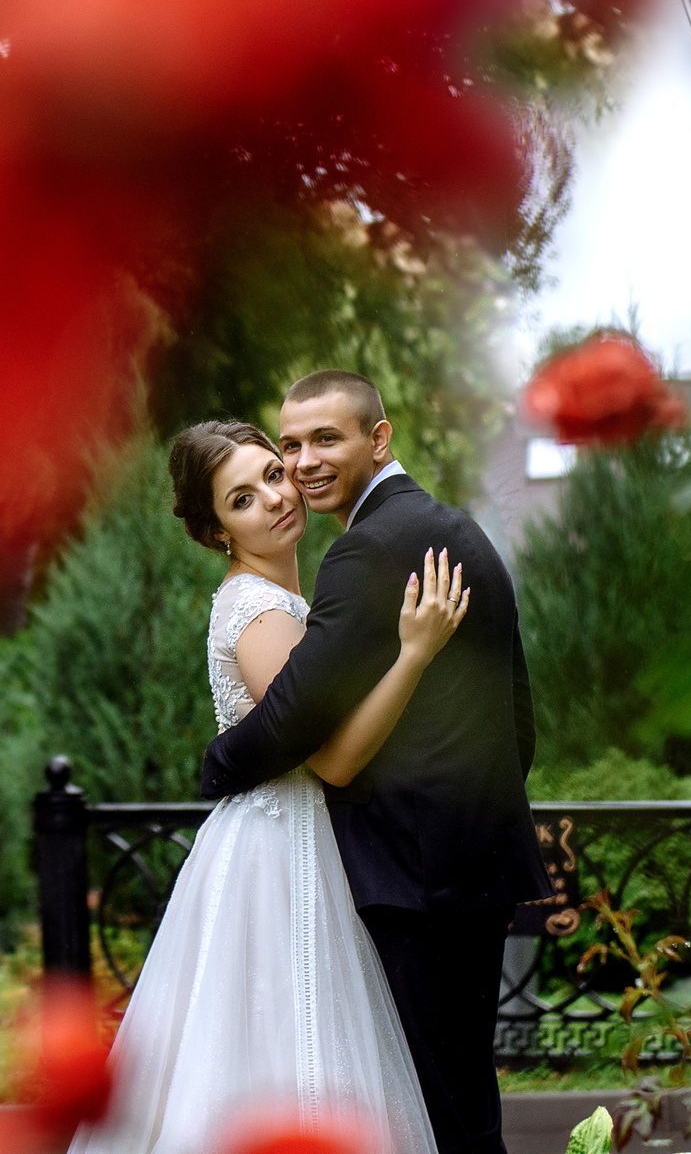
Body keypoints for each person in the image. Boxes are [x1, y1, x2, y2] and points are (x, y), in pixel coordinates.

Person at [69, 418, 468, 1154]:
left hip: (290, 831)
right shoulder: (256, 610)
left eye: (273, 475)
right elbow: (334, 762)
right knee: (279, 1044)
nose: (275, 500)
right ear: (216, 529)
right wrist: (413, 654)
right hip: (276, 847)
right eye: (242, 499)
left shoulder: (284, 598)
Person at [199, 371, 549, 1154]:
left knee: (435, 1108)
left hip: (413, 878)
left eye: (327, 438)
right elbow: (519, 722)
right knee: (457, 1100)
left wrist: (217, 764)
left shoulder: (368, 548)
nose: (303, 461)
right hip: (471, 865)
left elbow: (290, 717)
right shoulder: (459, 529)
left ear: (378, 438)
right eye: (291, 443)